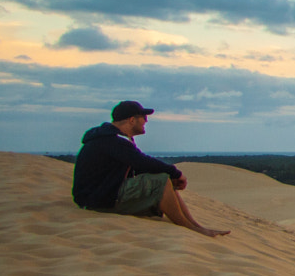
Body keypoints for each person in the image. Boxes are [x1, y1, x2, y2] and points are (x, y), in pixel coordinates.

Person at [71, 100, 229, 238]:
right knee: (161, 180)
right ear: (132, 120)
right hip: (98, 201)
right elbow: (142, 162)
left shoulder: (111, 138)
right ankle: (189, 228)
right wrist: (176, 173)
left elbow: (137, 166)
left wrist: (170, 175)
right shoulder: (112, 140)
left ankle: (196, 226)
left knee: (163, 179)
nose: (146, 121)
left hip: (102, 196)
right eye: (143, 118)